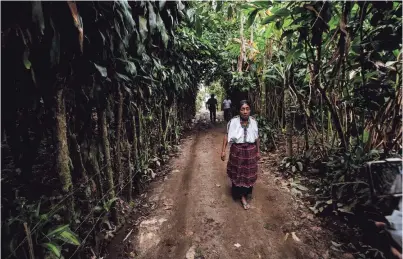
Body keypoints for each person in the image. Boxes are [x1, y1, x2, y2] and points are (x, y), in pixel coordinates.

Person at [221, 100, 260, 210]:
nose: (245, 111)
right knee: (238, 172)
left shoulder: (253, 121)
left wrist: (258, 151)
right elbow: (227, 135)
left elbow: (257, 137)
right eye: (242, 109)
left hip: (250, 150)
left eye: (247, 109)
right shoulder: (233, 122)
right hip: (237, 150)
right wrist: (223, 151)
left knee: (248, 173)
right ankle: (241, 196)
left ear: (250, 110)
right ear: (239, 111)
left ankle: (245, 193)